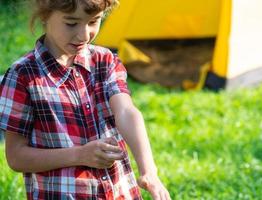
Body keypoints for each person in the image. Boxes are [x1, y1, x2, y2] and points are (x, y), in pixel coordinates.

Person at [0, 0, 170, 199]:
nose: (84, 35)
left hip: (118, 193)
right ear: (44, 14)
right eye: (71, 23)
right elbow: (16, 157)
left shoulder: (105, 61)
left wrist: (149, 172)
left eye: (94, 21)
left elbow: (126, 111)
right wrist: (80, 155)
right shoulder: (23, 76)